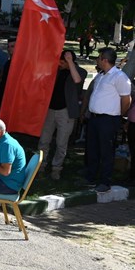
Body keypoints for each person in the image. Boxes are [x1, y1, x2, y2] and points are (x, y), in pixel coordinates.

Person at [83, 48, 132, 192]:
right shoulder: (101, 75)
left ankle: (105, 181)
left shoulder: (119, 77)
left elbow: (126, 99)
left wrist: (120, 114)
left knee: (106, 151)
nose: (97, 60)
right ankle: (91, 177)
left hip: (108, 119)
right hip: (95, 118)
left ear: (104, 59)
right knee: (92, 148)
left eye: (99, 57)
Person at [39, 49, 87, 180]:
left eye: (62, 62)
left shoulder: (80, 71)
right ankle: (40, 166)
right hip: (50, 110)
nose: (60, 64)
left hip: (66, 112)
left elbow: (77, 79)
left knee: (61, 143)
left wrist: (70, 62)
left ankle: (56, 168)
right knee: (44, 140)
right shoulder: (57, 71)